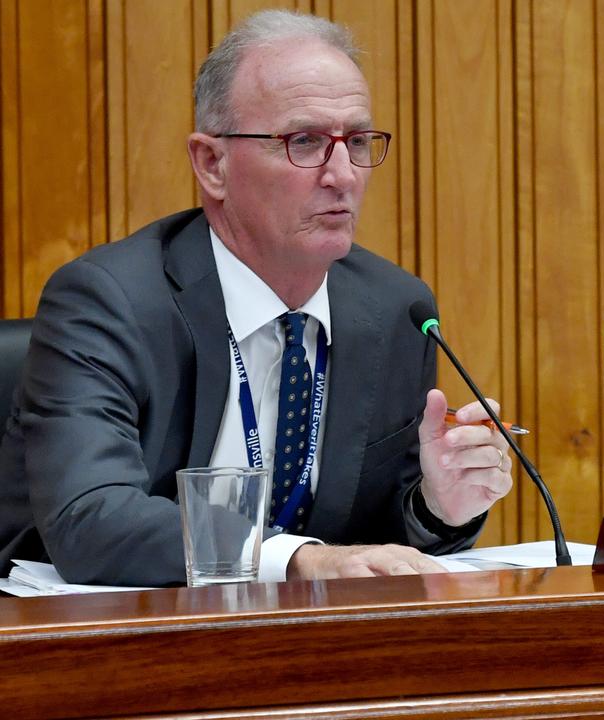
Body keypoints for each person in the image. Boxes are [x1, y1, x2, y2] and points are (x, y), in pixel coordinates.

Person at [0, 10, 514, 585]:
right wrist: (293, 559)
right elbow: (90, 518)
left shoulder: (395, 309)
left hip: (315, 647)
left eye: (359, 141)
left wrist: (437, 506)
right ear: (211, 164)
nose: (342, 174)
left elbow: (373, 532)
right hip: (100, 643)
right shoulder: (108, 302)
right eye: (306, 142)